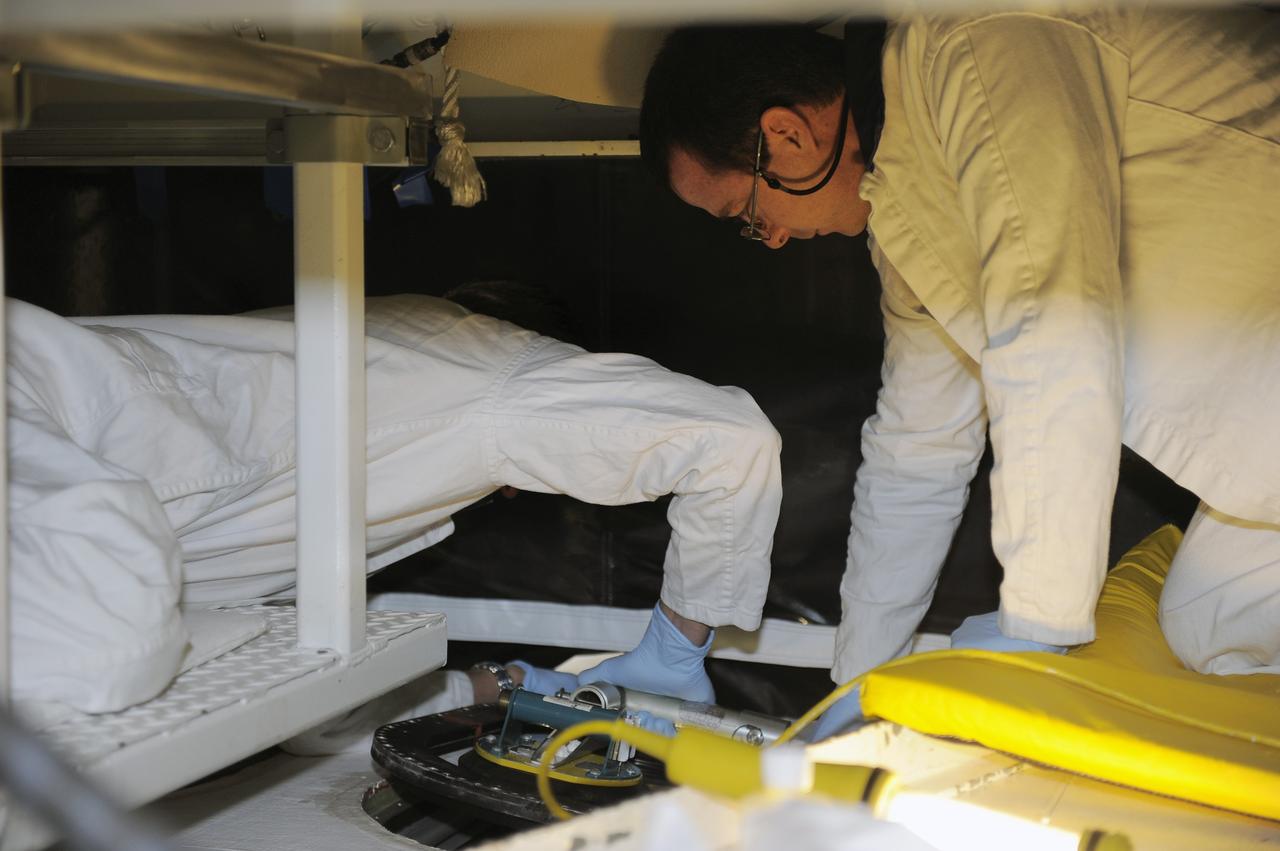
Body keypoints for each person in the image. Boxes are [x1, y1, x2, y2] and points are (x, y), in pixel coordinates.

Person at [640, 10, 1280, 735]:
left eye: (748, 215)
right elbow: (920, 448)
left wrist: (1037, 626)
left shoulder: (983, 41)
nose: (776, 239)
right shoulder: (903, 203)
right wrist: (855, 688)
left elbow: (1053, 324)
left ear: (785, 135)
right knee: (1208, 622)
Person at [7, 290, 781, 722]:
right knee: (104, 647)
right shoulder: (492, 383)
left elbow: (294, 686)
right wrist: (675, 650)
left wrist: (508, 683)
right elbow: (730, 441)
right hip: (33, 400)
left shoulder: (389, 418)